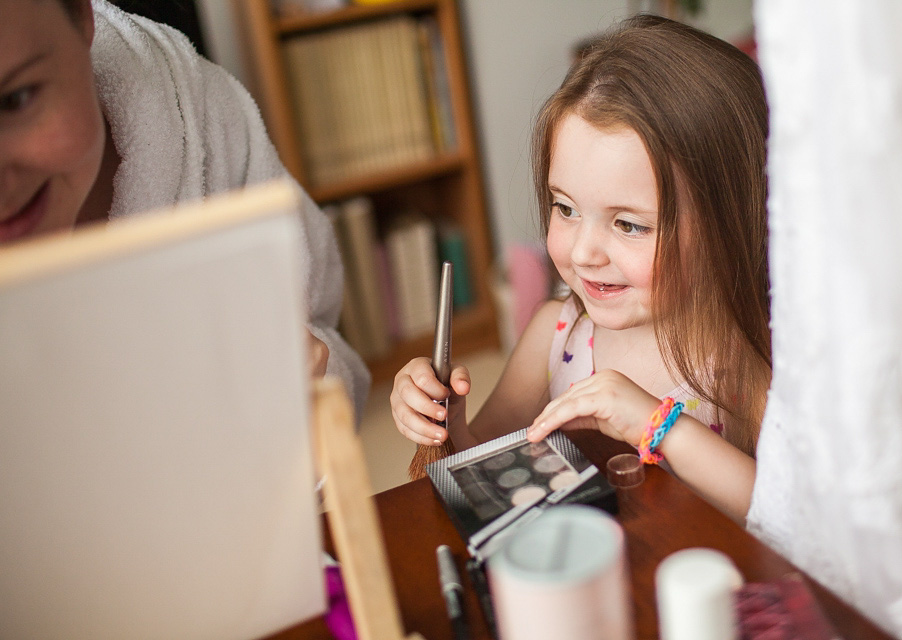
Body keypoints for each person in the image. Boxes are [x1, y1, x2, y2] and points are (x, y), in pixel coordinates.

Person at [390, 14, 771, 524]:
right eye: (565, 209)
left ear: (729, 223)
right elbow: (480, 461)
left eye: (630, 225)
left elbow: (783, 515)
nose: (585, 253)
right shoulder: (557, 336)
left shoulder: (747, 360)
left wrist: (656, 425)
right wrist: (447, 422)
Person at [0, 0, 369, 412]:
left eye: (15, 100)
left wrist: (308, 387)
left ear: (82, 20)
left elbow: (324, 347)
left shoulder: (197, 114)